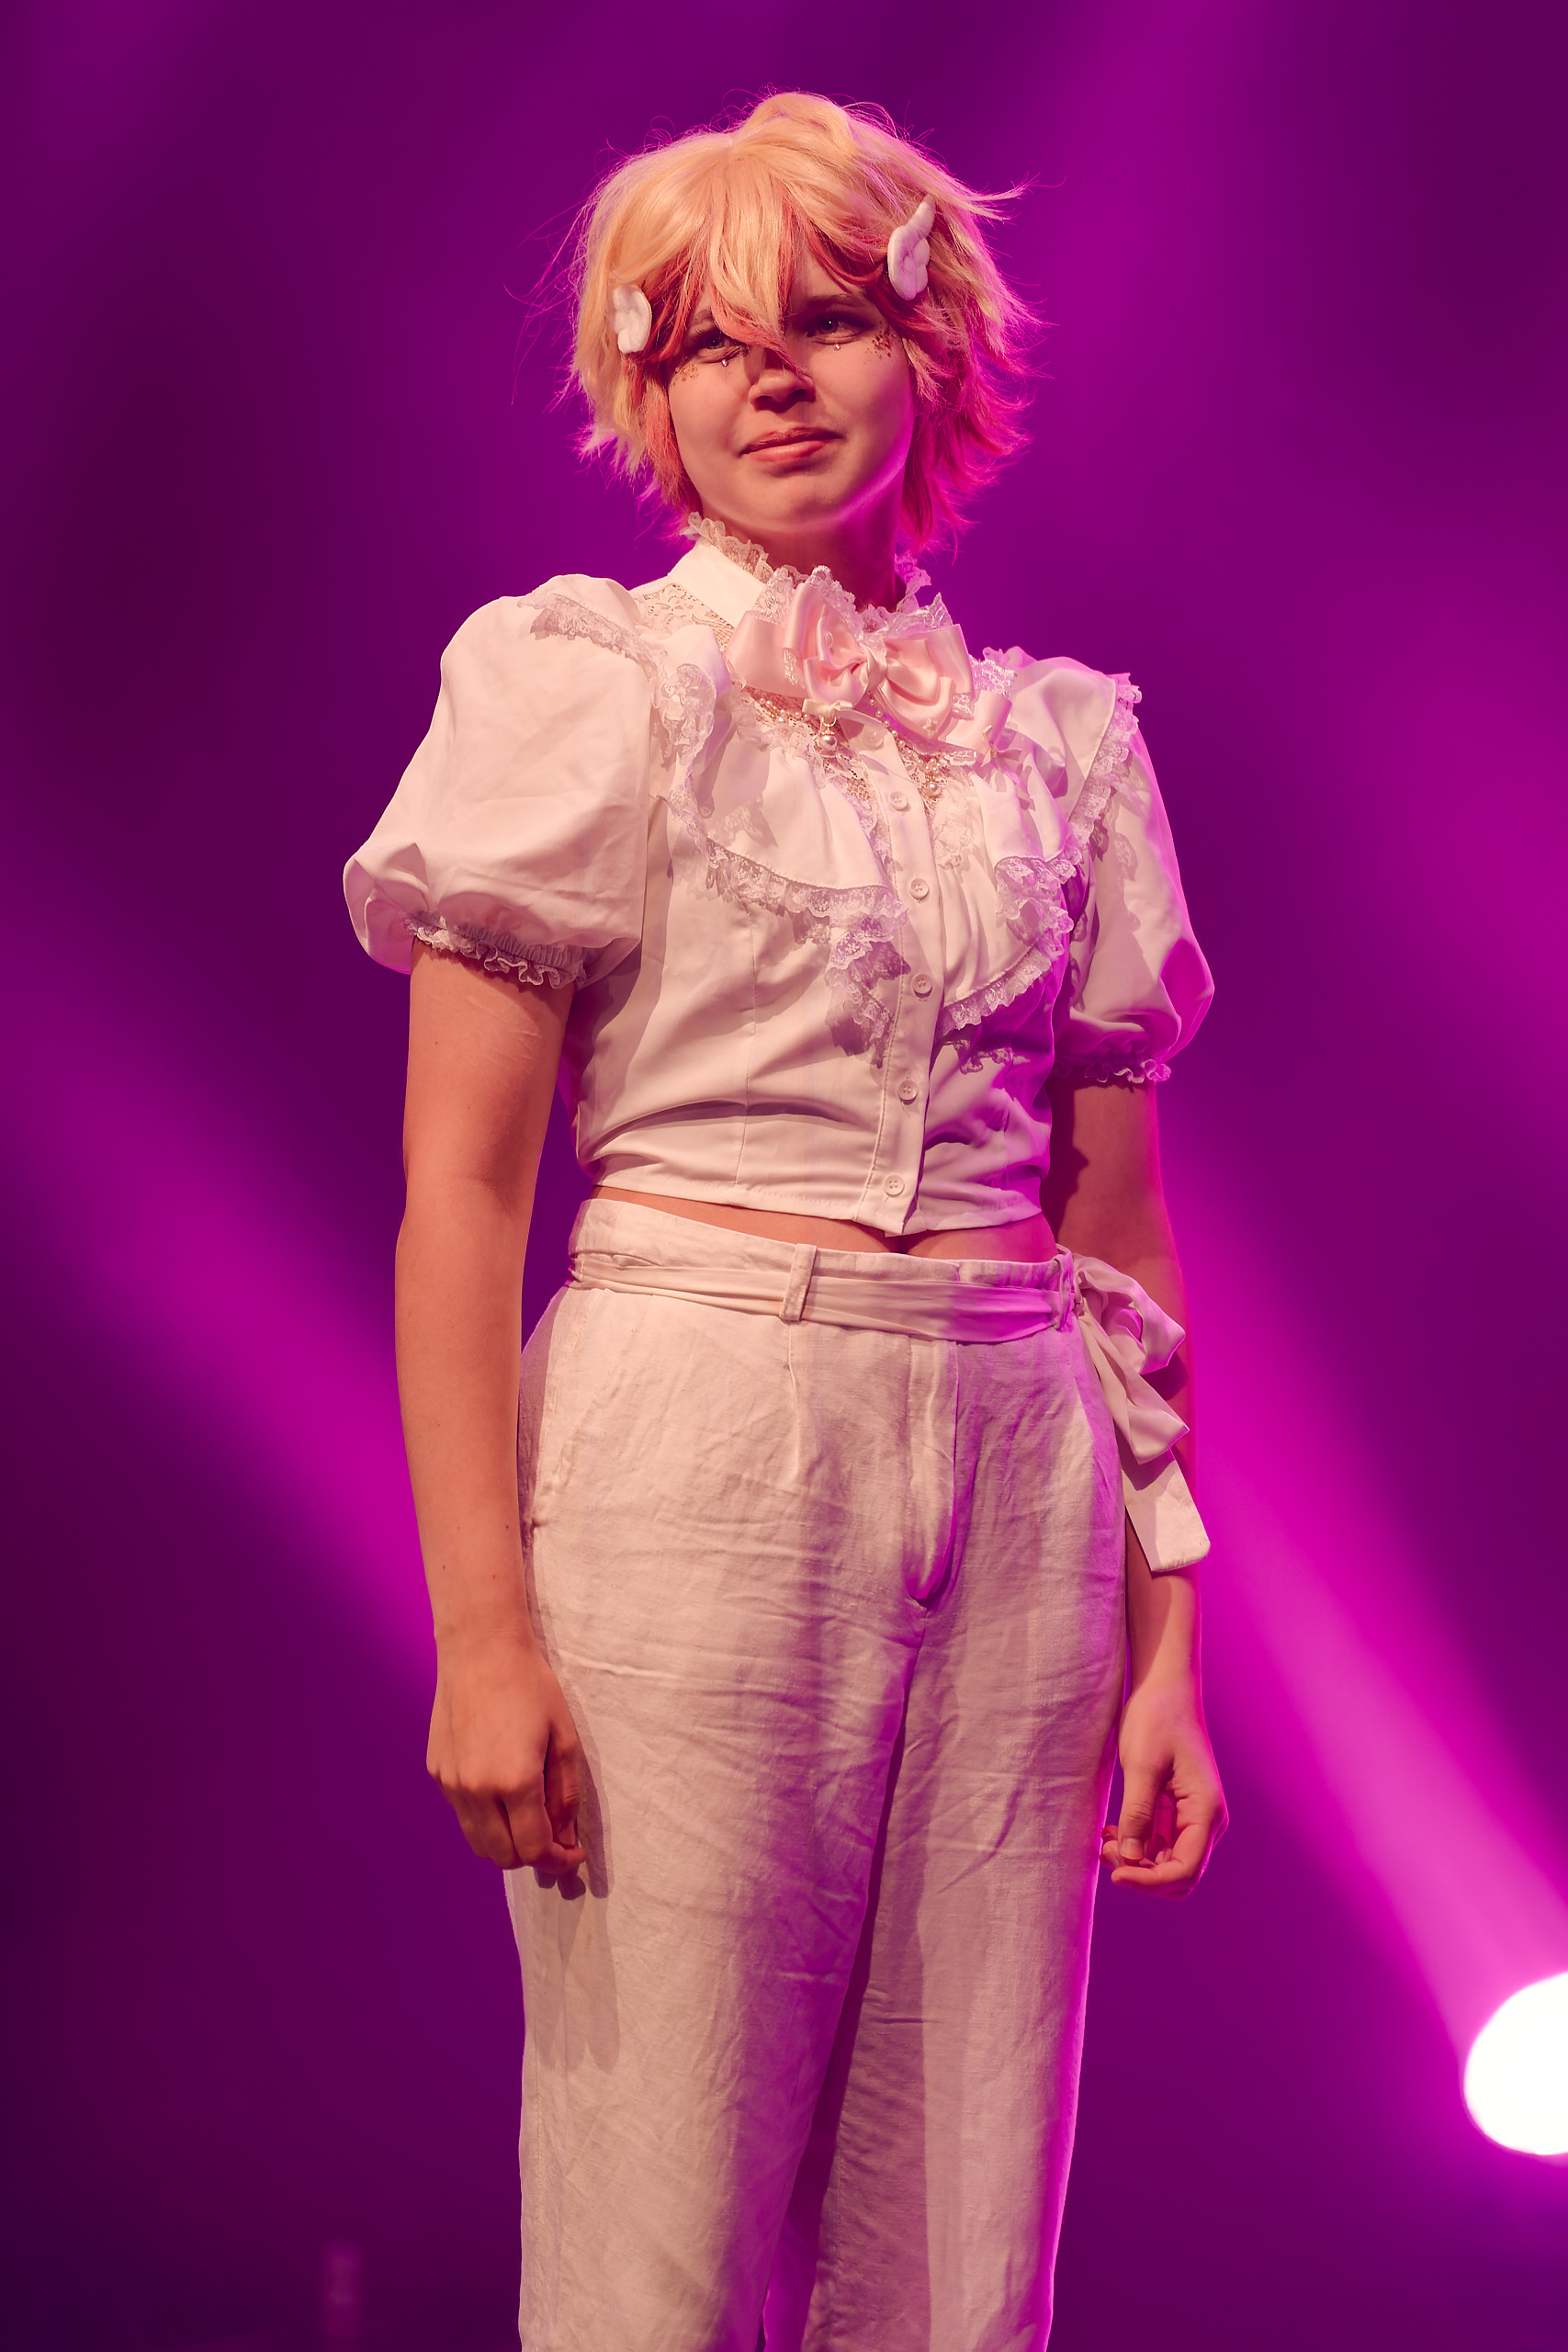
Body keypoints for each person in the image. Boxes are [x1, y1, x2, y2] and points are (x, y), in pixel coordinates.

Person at [345, 90, 1227, 2352]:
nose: (770, 380)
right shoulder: (587, 680)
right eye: (708, 343)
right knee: (662, 2233)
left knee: (959, 2249)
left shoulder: (1058, 744)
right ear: (645, 396)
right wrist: (479, 1630)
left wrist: (1166, 1636)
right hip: (701, 1425)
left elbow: (1115, 1230)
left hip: (1022, 1460)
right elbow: (461, 1187)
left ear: (925, 353)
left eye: (825, 321)